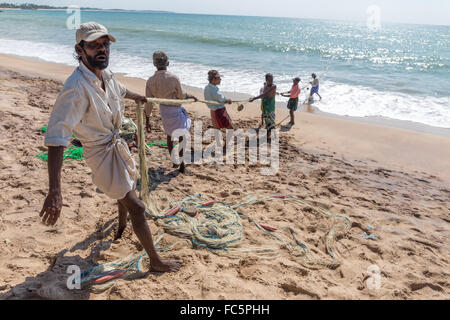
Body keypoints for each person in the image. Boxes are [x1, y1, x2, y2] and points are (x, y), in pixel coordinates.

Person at [40, 22, 182, 273]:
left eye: (105, 44)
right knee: (137, 205)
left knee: (126, 188)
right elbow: (56, 139)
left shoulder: (105, 75)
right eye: (94, 45)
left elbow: (119, 89)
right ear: (80, 49)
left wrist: (137, 96)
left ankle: (120, 226)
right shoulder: (75, 89)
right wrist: (54, 191)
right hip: (99, 153)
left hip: (117, 145)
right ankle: (156, 262)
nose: (102, 49)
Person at [144, 51, 198, 174]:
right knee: (181, 138)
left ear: (154, 64)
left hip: (164, 112)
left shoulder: (150, 81)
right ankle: (182, 166)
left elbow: (149, 102)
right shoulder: (173, 78)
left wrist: (147, 119)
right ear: (167, 63)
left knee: (169, 136)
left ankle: (175, 161)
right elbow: (181, 96)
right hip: (175, 110)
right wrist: (191, 96)